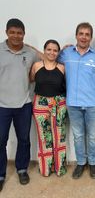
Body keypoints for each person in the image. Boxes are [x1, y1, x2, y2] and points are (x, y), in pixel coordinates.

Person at [58, 22, 95, 179]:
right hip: (73, 103)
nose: (84, 37)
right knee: (78, 135)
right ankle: (81, 163)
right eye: (81, 33)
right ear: (76, 35)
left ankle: (93, 164)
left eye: (87, 34)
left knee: (92, 136)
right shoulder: (66, 54)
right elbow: (50, 59)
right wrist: (60, 49)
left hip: (92, 103)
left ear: (91, 37)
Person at [0, 18, 39, 191]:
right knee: (1, 141)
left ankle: (22, 169)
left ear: (24, 34)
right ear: (6, 32)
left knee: (24, 140)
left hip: (24, 104)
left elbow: (48, 57)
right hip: (1, 105)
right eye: (12, 32)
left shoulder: (30, 53)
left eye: (19, 33)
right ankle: (1, 174)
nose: (16, 36)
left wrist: (66, 49)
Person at [30, 40, 67, 177]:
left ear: (58, 52)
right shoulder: (36, 66)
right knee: (44, 137)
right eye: (49, 49)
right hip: (40, 103)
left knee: (59, 136)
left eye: (55, 50)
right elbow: (31, 80)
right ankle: (46, 168)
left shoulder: (62, 67)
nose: (52, 52)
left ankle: (60, 168)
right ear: (44, 50)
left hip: (59, 104)